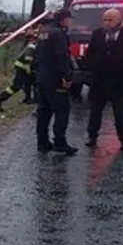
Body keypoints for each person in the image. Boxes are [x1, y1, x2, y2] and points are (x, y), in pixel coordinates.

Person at [83, 9, 123, 149]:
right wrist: (94, 67)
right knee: (95, 111)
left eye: (110, 20)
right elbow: (90, 54)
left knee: (121, 112)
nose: (107, 23)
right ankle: (92, 136)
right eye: (105, 20)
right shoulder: (98, 34)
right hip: (99, 79)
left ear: (118, 20)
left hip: (119, 80)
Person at [35, 8, 78, 155]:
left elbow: (38, 54)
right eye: (69, 19)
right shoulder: (59, 34)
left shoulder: (43, 31)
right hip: (55, 79)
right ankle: (60, 142)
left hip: (42, 77)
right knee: (62, 111)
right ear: (64, 19)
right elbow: (61, 57)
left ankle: (42, 142)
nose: (70, 22)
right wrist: (67, 76)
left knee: (44, 111)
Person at [0, 29, 38, 112]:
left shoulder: (32, 45)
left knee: (36, 84)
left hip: (24, 68)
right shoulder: (33, 46)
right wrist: (35, 64)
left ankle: (35, 101)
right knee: (16, 86)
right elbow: (28, 58)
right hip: (22, 68)